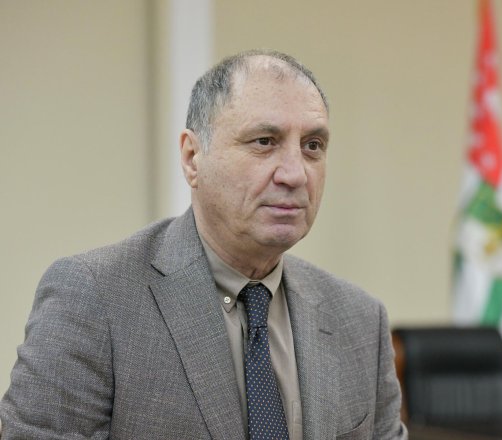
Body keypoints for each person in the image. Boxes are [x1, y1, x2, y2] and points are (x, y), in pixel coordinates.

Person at [1, 50, 406, 439]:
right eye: (264, 141)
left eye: (312, 146)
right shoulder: (94, 298)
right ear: (193, 158)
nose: (295, 174)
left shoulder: (359, 321)